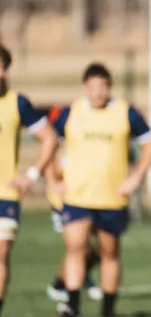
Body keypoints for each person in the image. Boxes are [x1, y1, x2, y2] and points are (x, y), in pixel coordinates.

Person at [48, 63, 151, 317]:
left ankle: (108, 309)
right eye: (92, 87)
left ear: (109, 87)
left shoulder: (125, 112)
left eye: (102, 86)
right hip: (77, 195)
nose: (97, 92)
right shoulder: (70, 113)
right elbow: (48, 145)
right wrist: (53, 178)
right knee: (76, 248)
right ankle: (72, 304)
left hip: (112, 196)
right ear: (85, 87)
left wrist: (136, 177)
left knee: (109, 252)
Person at [0, 44, 58, 316]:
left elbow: (49, 138)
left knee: (0, 255)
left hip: (5, 195)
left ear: (5, 70)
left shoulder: (17, 103)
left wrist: (31, 174)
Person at [44, 105, 103, 304]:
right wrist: (55, 184)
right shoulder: (63, 152)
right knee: (79, 247)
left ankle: (69, 282)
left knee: (101, 248)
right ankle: (63, 286)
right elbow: (52, 170)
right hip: (65, 203)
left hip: (89, 200)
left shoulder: (85, 146)